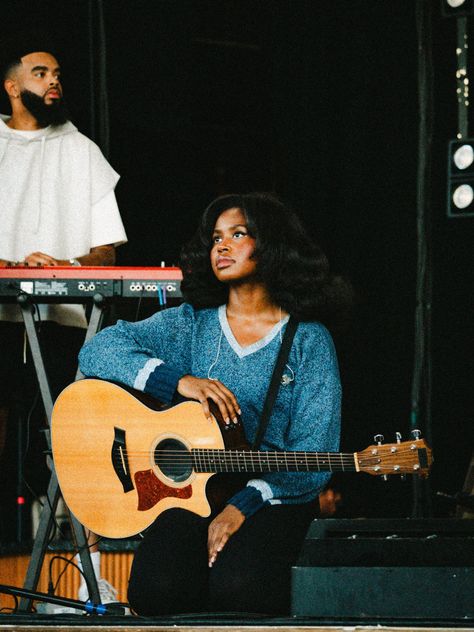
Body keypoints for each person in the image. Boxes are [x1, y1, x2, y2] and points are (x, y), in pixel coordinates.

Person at [78, 192, 351, 616]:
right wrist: (177, 381)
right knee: (156, 592)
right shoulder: (191, 325)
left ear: (273, 244)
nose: (221, 246)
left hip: (274, 495)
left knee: (242, 591)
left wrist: (240, 507)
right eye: (216, 238)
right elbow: (96, 351)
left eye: (238, 234)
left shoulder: (308, 341)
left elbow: (314, 458)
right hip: (193, 490)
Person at [0, 34, 127, 604]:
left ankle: (90, 569)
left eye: (58, 73)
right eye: (40, 71)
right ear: (11, 85)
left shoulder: (83, 152)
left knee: (77, 437)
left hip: (65, 319)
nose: (54, 81)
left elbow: (108, 254)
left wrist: (61, 266)